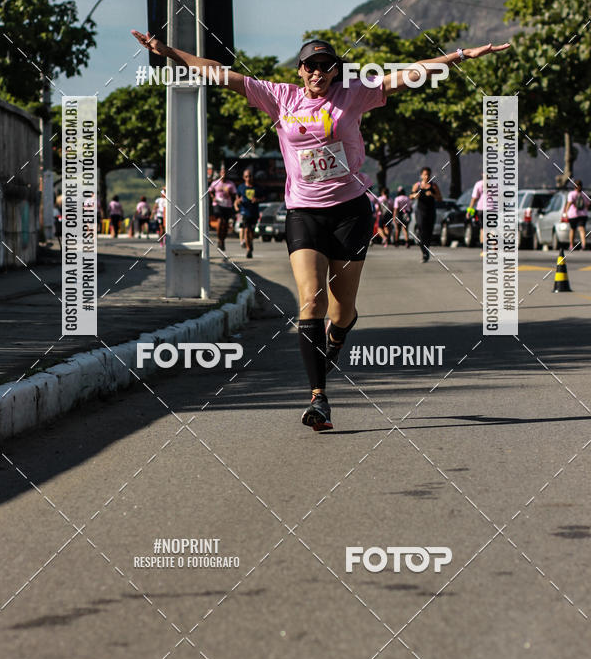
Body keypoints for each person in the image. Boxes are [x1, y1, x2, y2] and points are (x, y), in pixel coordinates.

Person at [132, 27, 509, 431]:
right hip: (303, 213)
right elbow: (218, 72)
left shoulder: (354, 94)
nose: (318, 72)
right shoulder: (279, 96)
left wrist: (460, 56)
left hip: (351, 212)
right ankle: (319, 398)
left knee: (341, 310)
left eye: (326, 67)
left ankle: (338, 334)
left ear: (335, 72)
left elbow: (407, 74)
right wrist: (168, 51)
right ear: (300, 70)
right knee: (310, 303)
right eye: (310, 66)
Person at [410, 167, 442, 262]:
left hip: (431, 212)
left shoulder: (434, 186)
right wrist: (414, 195)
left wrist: (432, 195)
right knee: (421, 232)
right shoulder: (417, 185)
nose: (426, 176)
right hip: (420, 212)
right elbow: (410, 196)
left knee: (429, 233)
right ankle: (424, 252)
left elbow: (440, 198)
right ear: (421, 175)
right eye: (425, 174)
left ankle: (426, 250)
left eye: (428, 174)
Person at [235, 169, 264, 259]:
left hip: (254, 212)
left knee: (251, 232)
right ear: (244, 177)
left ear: (252, 177)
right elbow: (237, 198)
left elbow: (263, 197)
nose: (248, 178)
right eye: (246, 176)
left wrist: (257, 200)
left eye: (250, 176)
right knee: (246, 230)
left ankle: (250, 244)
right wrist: (237, 203)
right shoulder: (241, 187)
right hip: (244, 212)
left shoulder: (257, 187)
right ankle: (248, 249)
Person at [208, 165, 237, 252]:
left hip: (227, 205)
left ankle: (222, 240)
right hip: (217, 204)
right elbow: (210, 191)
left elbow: (234, 194)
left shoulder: (230, 184)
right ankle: (219, 239)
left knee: (225, 224)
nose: (224, 174)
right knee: (220, 221)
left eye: (225, 173)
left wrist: (230, 193)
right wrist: (213, 197)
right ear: (220, 174)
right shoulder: (215, 183)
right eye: (222, 173)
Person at [564, 179, 590, 251]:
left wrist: (566, 212)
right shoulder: (584, 194)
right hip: (583, 214)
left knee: (572, 230)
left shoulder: (571, 194)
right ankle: (583, 245)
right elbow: (588, 204)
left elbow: (569, 203)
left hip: (573, 214)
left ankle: (571, 245)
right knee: (582, 229)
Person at [467, 173, 491, 252]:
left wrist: (469, 211)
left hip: (481, 209)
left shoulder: (479, 184)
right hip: (493, 209)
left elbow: (474, 198)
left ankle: (484, 248)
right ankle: (493, 248)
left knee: (482, 229)